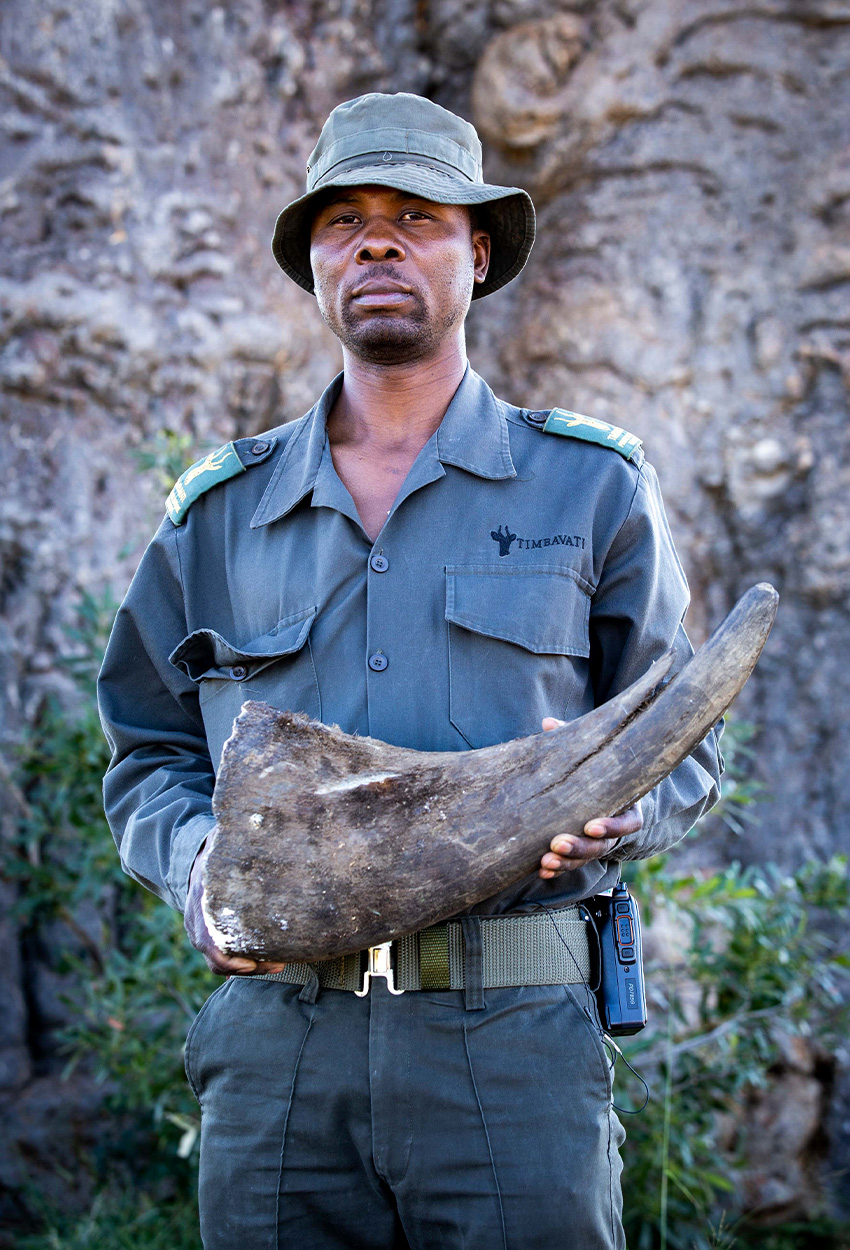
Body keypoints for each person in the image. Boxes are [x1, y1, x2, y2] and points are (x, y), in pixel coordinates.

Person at [98, 92, 723, 1250]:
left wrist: (623, 812)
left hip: (512, 1044)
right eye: (344, 220)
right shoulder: (218, 515)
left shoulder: (589, 490)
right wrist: (199, 873)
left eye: (416, 216)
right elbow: (146, 751)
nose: (376, 241)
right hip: (279, 1048)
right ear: (316, 263)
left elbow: (683, 739)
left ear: (475, 254)